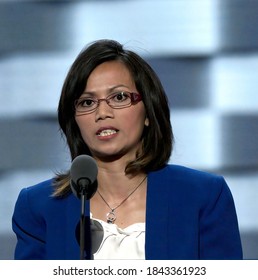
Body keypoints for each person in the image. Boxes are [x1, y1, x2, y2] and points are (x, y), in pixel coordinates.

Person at [12, 39, 243, 260]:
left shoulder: (203, 196)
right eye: (87, 102)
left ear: (148, 113)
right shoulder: (38, 206)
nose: (102, 113)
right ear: (74, 121)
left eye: (119, 97)